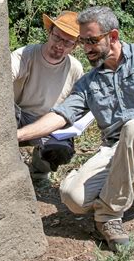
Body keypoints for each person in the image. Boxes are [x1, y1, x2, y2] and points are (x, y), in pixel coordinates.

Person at [17, 6, 134, 251]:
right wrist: (17, 136)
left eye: (92, 40)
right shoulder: (88, 82)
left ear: (112, 36)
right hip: (115, 150)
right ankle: (131, 185)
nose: (86, 48)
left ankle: (108, 217)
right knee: (72, 197)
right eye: (82, 42)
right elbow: (60, 116)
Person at [12, 11, 84, 180]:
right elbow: (1, 76)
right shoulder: (26, 55)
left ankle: (39, 172)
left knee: (61, 150)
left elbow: (77, 105)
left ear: (75, 46)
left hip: (50, 123)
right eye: (57, 37)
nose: (60, 45)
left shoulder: (75, 69)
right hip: (18, 116)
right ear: (49, 32)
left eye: (68, 42)